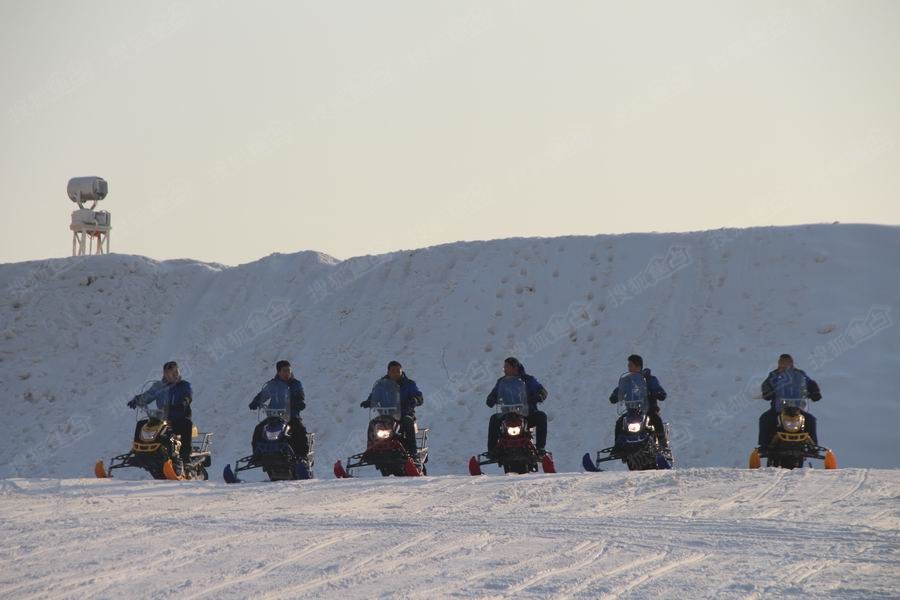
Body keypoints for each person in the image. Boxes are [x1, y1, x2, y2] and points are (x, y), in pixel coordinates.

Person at [128, 361, 194, 468]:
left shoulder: (184, 385)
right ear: (165, 374)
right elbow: (148, 396)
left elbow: (188, 394)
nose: (174, 375)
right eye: (171, 373)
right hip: (163, 418)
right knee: (142, 424)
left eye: (176, 372)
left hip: (179, 417)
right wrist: (137, 400)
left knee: (186, 424)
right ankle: (138, 453)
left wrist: (185, 401)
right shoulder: (159, 387)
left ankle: (185, 457)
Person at [486, 357, 549, 455]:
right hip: (507, 414)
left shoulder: (528, 380)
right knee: (494, 419)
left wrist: (540, 395)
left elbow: (541, 389)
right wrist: (491, 398)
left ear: (514, 367)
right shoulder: (502, 382)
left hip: (527, 414)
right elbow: (495, 392)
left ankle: (540, 447)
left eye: (506, 367)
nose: (504, 370)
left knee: (541, 416)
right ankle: (492, 450)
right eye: (504, 367)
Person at [361, 361, 424, 458]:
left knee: (408, 422)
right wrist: (369, 401)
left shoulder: (409, 384)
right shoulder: (381, 385)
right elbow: (375, 395)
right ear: (388, 372)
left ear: (401, 371)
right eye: (392, 371)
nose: (395, 374)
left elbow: (418, 396)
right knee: (373, 423)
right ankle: (370, 449)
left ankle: (413, 452)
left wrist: (415, 399)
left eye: (397, 371)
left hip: (404, 413)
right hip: (386, 415)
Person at [249, 360, 309, 460]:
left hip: (291, 415)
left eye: (289, 371)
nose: (287, 373)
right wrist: (255, 401)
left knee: (299, 429)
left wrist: (299, 402)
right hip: (274, 416)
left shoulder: (295, 384)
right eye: (284, 371)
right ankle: (257, 454)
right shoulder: (272, 385)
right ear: (278, 372)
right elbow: (263, 394)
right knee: (258, 429)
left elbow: (300, 395)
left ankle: (302, 456)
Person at [758, 353, 821, 447]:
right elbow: (766, 385)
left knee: (810, 419)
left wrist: (815, 392)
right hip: (779, 408)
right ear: (779, 363)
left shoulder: (799, 374)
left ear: (791, 363)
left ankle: (813, 446)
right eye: (782, 362)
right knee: (765, 418)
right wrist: (767, 392)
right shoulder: (774, 375)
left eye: (786, 362)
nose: (784, 365)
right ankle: (764, 445)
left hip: (797, 408)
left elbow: (810, 383)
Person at [608, 354, 668, 449]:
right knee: (620, 422)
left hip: (648, 410)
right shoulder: (627, 381)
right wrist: (615, 395)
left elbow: (658, 389)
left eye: (630, 365)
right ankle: (618, 446)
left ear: (638, 367)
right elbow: (620, 390)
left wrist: (657, 392)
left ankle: (663, 444)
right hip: (632, 411)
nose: (628, 368)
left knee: (656, 419)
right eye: (628, 365)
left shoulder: (649, 379)